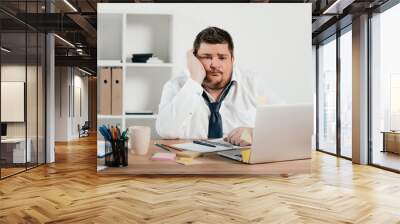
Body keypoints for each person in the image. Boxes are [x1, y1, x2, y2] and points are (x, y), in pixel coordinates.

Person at [156, 27, 257, 146]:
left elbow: (282, 125)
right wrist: (195, 80)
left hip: (238, 162)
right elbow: (165, 131)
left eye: (222, 58)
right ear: (195, 59)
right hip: (189, 162)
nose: (214, 64)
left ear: (232, 60)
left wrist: (254, 133)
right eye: (207, 57)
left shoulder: (253, 85)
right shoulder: (174, 86)